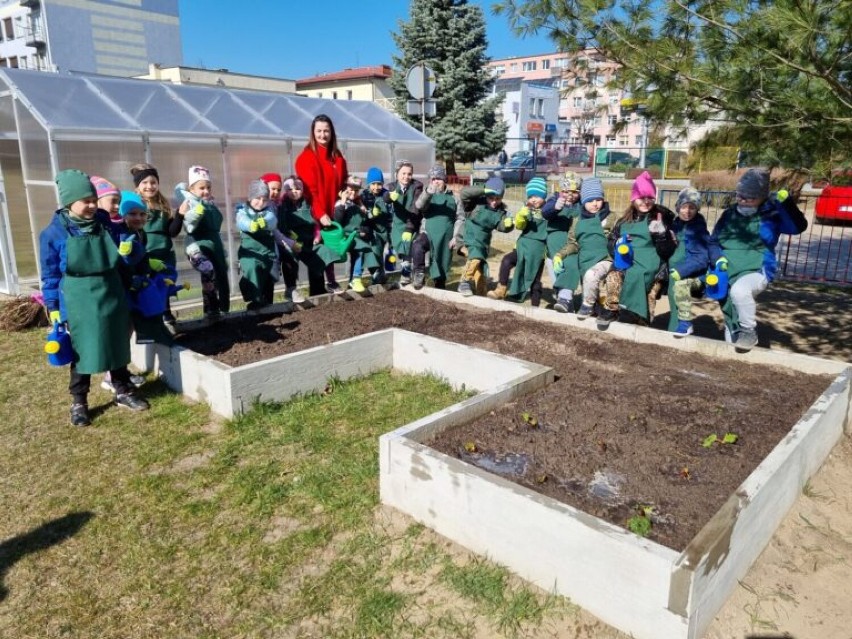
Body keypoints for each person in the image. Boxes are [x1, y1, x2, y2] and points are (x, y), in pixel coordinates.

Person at [39, 169, 149, 427]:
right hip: (78, 299)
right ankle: (79, 401)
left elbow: (128, 256)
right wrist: (53, 305)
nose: (91, 205)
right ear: (68, 202)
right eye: (85, 201)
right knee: (82, 350)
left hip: (110, 291)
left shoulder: (106, 223)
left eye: (92, 199)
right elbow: (51, 274)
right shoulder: (53, 234)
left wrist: (130, 251)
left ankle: (122, 390)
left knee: (117, 341)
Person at [708, 168, 807, 351]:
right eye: (740, 196)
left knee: (739, 292)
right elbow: (713, 241)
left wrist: (786, 204)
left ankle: (748, 331)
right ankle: (736, 340)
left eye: (750, 197)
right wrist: (718, 259)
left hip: (756, 270)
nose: (743, 201)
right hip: (726, 270)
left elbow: (798, 226)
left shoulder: (771, 214)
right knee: (730, 316)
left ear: (762, 197)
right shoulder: (729, 214)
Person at [599, 170, 676, 329]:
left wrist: (661, 235)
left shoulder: (661, 219)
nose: (646, 201)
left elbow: (667, 252)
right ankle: (611, 309)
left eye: (650, 197)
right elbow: (611, 241)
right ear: (634, 199)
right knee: (614, 276)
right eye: (641, 197)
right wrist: (617, 245)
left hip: (653, 268)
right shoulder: (623, 220)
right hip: (628, 262)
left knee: (646, 290)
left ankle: (642, 322)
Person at [294, 114, 348, 294]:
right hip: (315, 214)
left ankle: (332, 284)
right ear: (313, 132)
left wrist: (346, 194)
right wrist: (320, 213)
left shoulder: (337, 157)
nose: (323, 135)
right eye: (319, 131)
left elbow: (343, 183)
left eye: (326, 131)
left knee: (334, 249)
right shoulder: (307, 158)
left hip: (334, 213)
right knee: (318, 252)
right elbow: (310, 191)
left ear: (332, 133)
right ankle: (317, 294)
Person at [552, 177, 615, 316]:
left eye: (598, 200)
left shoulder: (610, 217)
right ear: (584, 202)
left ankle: (598, 309)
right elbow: (573, 243)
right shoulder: (578, 220)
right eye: (590, 201)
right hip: (585, 258)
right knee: (579, 274)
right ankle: (566, 298)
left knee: (595, 280)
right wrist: (560, 254)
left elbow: (616, 238)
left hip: (604, 258)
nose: (595, 204)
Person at [131, 163, 183, 330]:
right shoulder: (135, 205)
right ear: (137, 186)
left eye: (153, 182)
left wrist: (180, 215)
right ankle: (151, 319)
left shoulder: (163, 205)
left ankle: (166, 314)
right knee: (148, 286)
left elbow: (172, 232)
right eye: (144, 183)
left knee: (165, 284)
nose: (149, 186)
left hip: (165, 253)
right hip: (146, 254)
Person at [178, 165, 230, 320]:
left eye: (208, 187)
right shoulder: (190, 204)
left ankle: (224, 309)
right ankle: (211, 310)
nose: (206, 191)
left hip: (215, 243)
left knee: (222, 273)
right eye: (202, 188)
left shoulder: (210, 204)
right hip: (199, 245)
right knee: (208, 272)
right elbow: (189, 225)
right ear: (191, 189)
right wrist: (196, 213)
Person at [666, 187, 713, 337]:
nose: (687, 211)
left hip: (690, 274)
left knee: (677, 293)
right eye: (684, 207)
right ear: (678, 207)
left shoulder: (698, 229)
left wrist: (682, 271)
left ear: (697, 209)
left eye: (692, 207)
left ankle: (679, 327)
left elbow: (701, 258)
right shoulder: (675, 224)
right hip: (673, 270)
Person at [455, 176, 513, 297]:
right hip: (467, 238)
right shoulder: (475, 202)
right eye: (491, 198)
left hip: (482, 243)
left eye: (498, 199)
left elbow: (501, 226)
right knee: (475, 257)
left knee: (480, 269)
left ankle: (481, 294)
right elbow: (464, 193)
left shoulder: (500, 211)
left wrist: (508, 225)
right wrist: (484, 189)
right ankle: (464, 282)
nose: (494, 202)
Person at [499, 177, 549, 305]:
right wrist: (521, 216)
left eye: (537, 196)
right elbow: (520, 226)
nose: (533, 199)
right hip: (522, 247)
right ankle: (502, 288)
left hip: (538, 252)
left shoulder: (549, 211)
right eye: (531, 196)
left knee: (535, 280)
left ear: (544, 196)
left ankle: (535, 304)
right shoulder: (525, 209)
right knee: (506, 260)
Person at [278, 176, 327, 297]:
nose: (294, 191)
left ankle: (318, 291)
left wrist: (317, 236)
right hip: (291, 240)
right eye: (290, 189)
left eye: (298, 189)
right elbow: (281, 226)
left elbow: (315, 223)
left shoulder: (308, 203)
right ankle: (291, 289)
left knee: (318, 255)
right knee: (289, 258)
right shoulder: (282, 205)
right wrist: (290, 240)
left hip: (309, 239)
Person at [236, 180, 280, 310]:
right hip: (249, 252)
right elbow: (241, 221)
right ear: (250, 198)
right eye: (257, 198)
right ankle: (255, 300)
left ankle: (267, 304)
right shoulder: (242, 211)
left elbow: (273, 221)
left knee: (267, 276)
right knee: (251, 270)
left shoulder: (268, 211)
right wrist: (251, 225)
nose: (261, 203)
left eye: (264, 199)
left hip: (266, 251)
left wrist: (265, 223)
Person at [412, 163, 457, 289]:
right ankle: (419, 274)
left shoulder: (454, 198)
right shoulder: (427, 194)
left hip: (445, 237)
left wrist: (456, 237)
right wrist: (428, 193)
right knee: (417, 245)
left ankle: (440, 286)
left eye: (438, 178)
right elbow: (419, 205)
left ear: (444, 180)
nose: (435, 181)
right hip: (428, 233)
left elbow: (460, 218)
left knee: (442, 264)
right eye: (433, 179)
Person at [262, 171, 304, 303]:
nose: (275, 192)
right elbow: (273, 230)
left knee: (290, 258)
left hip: (278, 240)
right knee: (270, 269)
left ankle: (291, 289)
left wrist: (290, 236)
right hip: (266, 243)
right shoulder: (261, 205)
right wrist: (289, 242)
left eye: (278, 190)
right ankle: (266, 301)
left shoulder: (277, 205)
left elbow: (281, 226)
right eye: (272, 189)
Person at [384, 160, 424, 285]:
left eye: (409, 174)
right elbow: (385, 197)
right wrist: (390, 197)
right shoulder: (392, 186)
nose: (406, 177)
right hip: (397, 223)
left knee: (408, 246)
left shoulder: (417, 186)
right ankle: (405, 268)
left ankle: (406, 273)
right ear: (397, 174)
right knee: (399, 246)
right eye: (403, 173)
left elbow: (415, 208)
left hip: (412, 220)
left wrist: (409, 228)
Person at [542, 172, 582, 293]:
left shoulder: (580, 205)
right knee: (556, 269)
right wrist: (555, 207)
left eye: (574, 192)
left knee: (570, 265)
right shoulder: (554, 199)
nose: (570, 195)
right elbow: (545, 212)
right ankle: (560, 294)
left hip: (573, 241)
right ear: (560, 191)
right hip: (555, 240)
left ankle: (566, 295)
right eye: (566, 191)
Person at [360, 166, 394, 281]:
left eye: (379, 184)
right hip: (372, 229)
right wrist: (370, 213)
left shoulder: (386, 195)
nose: (376, 187)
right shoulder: (364, 196)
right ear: (369, 184)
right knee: (375, 251)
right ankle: (377, 274)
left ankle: (381, 275)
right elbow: (362, 214)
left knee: (385, 254)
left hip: (385, 228)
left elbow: (391, 213)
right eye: (373, 184)